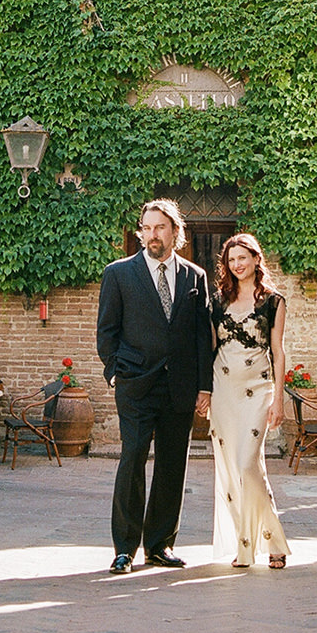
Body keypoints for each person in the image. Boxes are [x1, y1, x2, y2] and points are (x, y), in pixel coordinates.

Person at [96, 199, 213, 574]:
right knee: (132, 458)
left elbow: (200, 336)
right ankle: (125, 548)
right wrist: (114, 370)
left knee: (171, 464)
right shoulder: (118, 274)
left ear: (175, 232)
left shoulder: (195, 276)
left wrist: (204, 387)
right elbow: (107, 331)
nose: (151, 235)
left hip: (179, 386)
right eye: (145, 228)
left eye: (159, 228)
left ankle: (161, 544)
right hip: (136, 384)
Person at [209, 232, 290, 570]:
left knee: (247, 463)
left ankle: (271, 541)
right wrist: (203, 391)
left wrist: (279, 401)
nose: (237, 264)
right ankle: (255, 546)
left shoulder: (274, 301)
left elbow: (278, 351)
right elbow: (210, 348)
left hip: (258, 390)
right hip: (223, 391)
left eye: (243, 258)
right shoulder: (217, 301)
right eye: (231, 260)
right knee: (232, 469)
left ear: (257, 259)